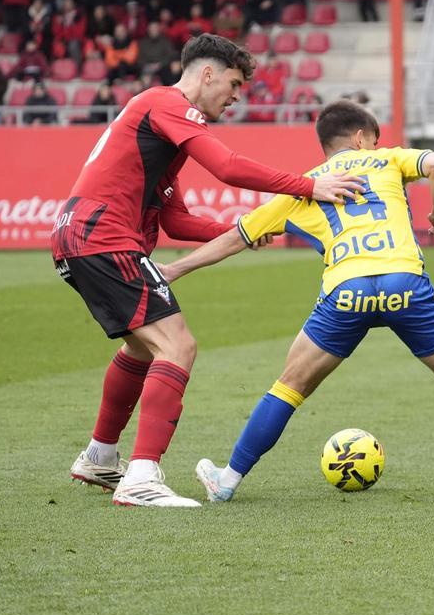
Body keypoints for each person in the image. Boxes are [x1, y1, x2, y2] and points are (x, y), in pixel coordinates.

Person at [156, 100, 434, 506]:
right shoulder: (388, 160)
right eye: (374, 140)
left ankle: (228, 480)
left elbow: (235, 238)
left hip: (346, 290)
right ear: (360, 138)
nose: (376, 146)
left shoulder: (302, 187)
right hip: (405, 282)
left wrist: (175, 270)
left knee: (289, 387)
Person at [55, 33, 365, 508]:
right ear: (206, 74)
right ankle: (141, 477)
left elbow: (176, 220)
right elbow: (227, 166)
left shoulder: (160, 132)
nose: (236, 96)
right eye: (234, 84)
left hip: (79, 234)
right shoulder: (166, 104)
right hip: (103, 235)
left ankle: (100, 456)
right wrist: (308, 186)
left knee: (141, 347)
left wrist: (239, 230)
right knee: (178, 346)